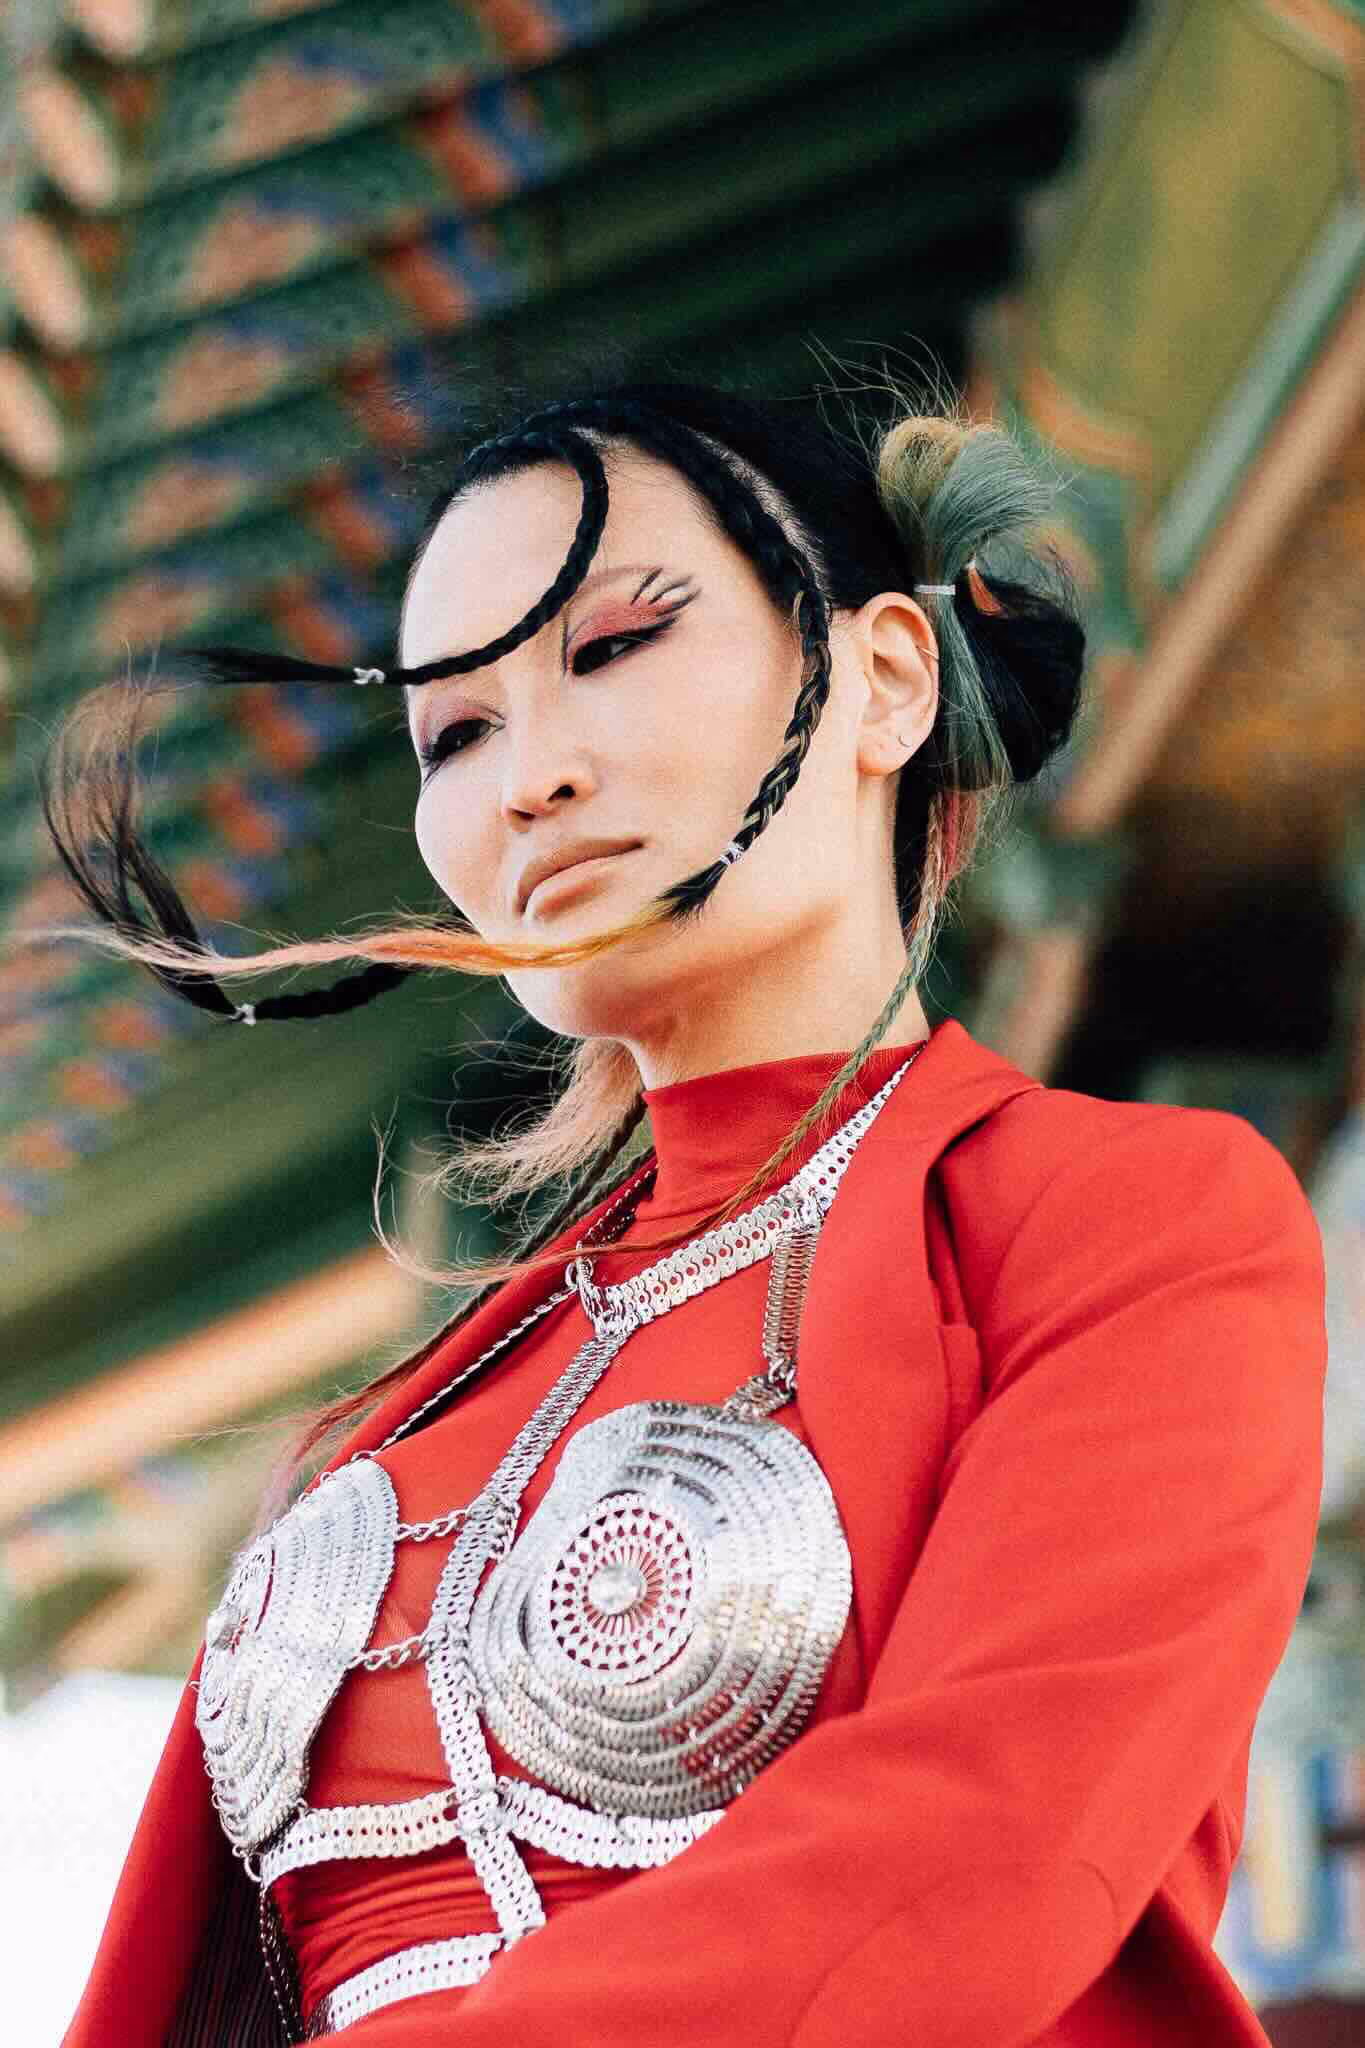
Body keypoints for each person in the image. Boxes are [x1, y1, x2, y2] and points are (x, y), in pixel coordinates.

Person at [34, 376, 1325, 2047]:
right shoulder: (391, 1433)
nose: (527, 779)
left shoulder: (1128, 1218)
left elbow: (984, 1838)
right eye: (454, 734)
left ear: (881, 681)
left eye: (613, 646)